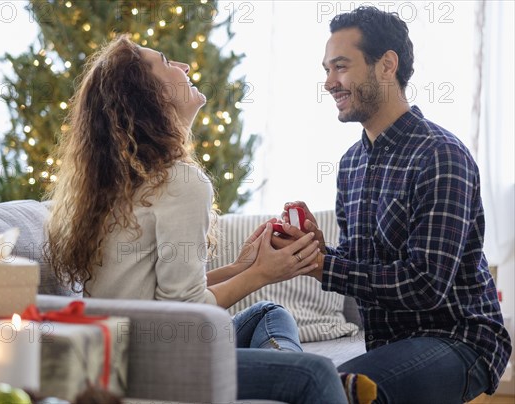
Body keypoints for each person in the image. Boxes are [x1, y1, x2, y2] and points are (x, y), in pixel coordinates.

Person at [44, 35, 348, 404]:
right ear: (148, 95)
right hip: (151, 364)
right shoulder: (180, 181)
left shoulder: (122, 181)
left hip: (124, 350)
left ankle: (282, 366)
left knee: (269, 313)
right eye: (167, 61)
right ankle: (298, 374)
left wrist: (239, 266)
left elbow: (155, 296)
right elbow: (182, 314)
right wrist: (262, 273)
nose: (184, 67)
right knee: (315, 374)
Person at [274, 6, 512, 403]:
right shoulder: (351, 163)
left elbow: (425, 285)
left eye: (341, 67)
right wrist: (317, 252)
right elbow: (359, 265)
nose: (330, 82)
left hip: (460, 338)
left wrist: (324, 267)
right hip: (391, 343)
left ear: (387, 65)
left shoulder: (441, 156)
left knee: (324, 387)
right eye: (327, 69)